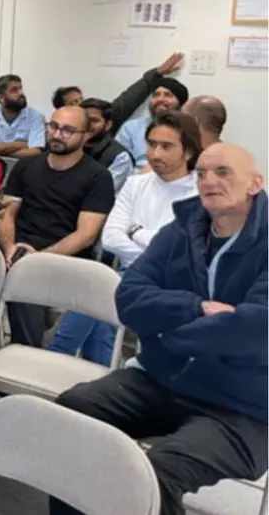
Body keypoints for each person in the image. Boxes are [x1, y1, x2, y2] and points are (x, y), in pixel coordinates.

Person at [50, 142, 267, 515]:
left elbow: (256, 330)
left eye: (223, 172)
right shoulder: (181, 229)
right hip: (162, 379)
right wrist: (195, 308)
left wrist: (167, 334)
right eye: (201, 173)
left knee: (155, 473)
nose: (208, 181)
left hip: (241, 405)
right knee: (73, 414)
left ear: (254, 183)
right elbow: (129, 298)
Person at [47, 111, 200, 366]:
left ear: (189, 152)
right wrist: (156, 248)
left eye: (166, 146)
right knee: (102, 300)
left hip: (175, 282)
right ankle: (97, 370)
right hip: (131, 273)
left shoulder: (200, 192)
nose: (155, 154)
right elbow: (110, 238)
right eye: (152, 144)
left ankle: (58, 355)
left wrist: (136, 231)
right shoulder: (136, 184)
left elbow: (182, 249)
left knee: (99, 292)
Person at [0, 106, 115, 349]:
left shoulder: (98, 177)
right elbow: (6, 212)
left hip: (65, 258)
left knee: (27, 281)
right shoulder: (26, 166)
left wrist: (39, 259)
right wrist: (9, 246)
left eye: (68, 130)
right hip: (18, 250)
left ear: (86, 135)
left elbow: (86, 235)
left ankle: (27, 355)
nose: (57, 135)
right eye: (53, 127)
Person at [51, 52, 185, 135]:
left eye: (81, 99)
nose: (81, 104)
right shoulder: (56, 133)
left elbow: (129, 98)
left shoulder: (102, 121)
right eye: (74, 103)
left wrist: (156, 73)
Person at [115, 76, 189, 168]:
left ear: (180, 103)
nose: (160, 99)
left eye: (168, 95)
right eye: (156, 95)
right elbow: (119, 163)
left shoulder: (189, 129)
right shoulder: (131, 128)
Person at [0, 74, 46, 158]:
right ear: (1, 98)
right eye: (14, 90)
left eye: (20, 88)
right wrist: (20, 145)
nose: (21, 93)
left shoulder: (36, 117)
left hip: (24, 164)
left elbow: (35, 152)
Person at [80, 98, 135, 193]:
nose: (87, 124)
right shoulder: (69, 147)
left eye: (94, 120)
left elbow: (102, 193)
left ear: (108, 125)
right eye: (83, 119)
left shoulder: (120, 157)